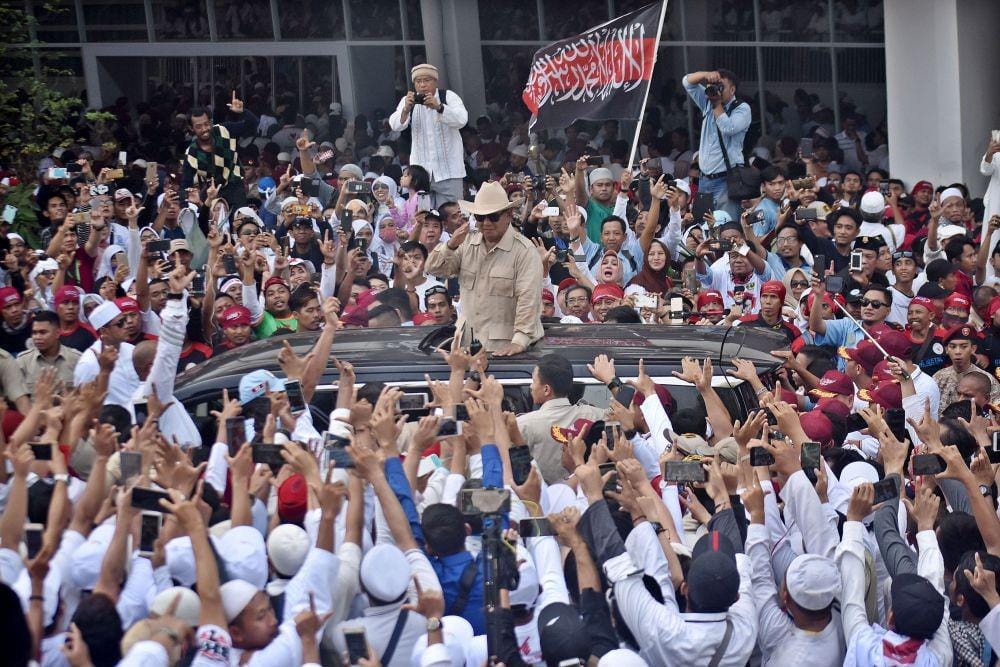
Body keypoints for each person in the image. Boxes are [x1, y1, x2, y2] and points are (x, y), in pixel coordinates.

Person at [425, 182, 543, 355]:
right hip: (466, 346)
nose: (486, 223)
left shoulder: (524, 251)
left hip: (505, 350)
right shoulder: (466, 242)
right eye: (480, 217)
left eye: (493, 216)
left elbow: (528, 299)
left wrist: (520, 341)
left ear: (509, 215)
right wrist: (450, 245)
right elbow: (434, 269)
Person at [516, 353, 605, 483]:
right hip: (588, 494)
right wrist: (611, 379)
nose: (531, 386)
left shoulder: (523, 424)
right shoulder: (595, 415)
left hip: (542, 501)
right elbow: (627, 412)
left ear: (546, 389)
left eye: (534, 381)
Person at [388, 64, 468, 206]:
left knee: (453, 215)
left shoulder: (448, 96)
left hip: (449, 172)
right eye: (418, 81)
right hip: (421, 174)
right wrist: (406, 109)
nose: (423, 85)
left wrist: (439, 107)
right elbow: (395, 125)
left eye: (427, 80)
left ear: (435, 81)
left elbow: (462, 120)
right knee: (424, 216)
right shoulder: (408, 100)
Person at [682, 69, 751, 216]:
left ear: (732, 89)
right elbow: (687, 82)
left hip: (726, 180)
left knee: (726, 226)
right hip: (704, 179)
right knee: (703, 226)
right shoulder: (708, 101)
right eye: (715, 85)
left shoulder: (742, 108)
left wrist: (716, 104)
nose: (716, 90)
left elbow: (728, 128)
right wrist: (706, 75)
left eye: (721, 87)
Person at [182, 93, 258, 208]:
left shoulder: (223, 130)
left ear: (211, 122)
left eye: (206, 124)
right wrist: (184, 209)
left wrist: (243, 111)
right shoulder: (191, 154)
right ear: (191, 128)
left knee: (239, 221)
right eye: (198, 126)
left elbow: (253, 124)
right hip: (211, 194)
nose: (204, 129)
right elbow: (185, 185)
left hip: (235, 187)